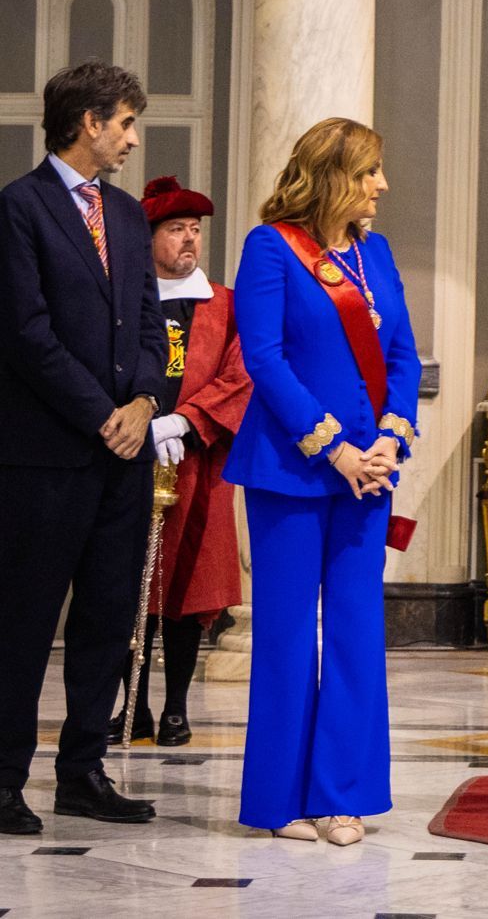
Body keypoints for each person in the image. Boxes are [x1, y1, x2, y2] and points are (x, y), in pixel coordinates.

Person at [224, 118, 421, 845]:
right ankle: (280, 801)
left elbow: (403, 355)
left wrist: (391, 438)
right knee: (284, 635)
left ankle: (341, 796)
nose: (382, 185)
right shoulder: (269, 247)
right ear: (334, 176)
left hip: (370, 473)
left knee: (355, 630)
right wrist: (334, 449)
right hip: (290, 470)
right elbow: (265, 359)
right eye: (370, 172)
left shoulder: (377, 253)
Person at [0, 61, 164, 834]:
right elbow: (25, 335)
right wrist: (105, 414)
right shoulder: (19, 208)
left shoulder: (128, 215)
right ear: (89, 123)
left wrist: (145, 403)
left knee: (106, 620)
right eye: (125, 123)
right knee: (25, 622)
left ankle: (83, 774)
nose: (132, 138)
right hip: (45, 458)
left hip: (123, 458)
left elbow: (152, 326)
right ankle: (4, 780)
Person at [106, 177, 250, 748]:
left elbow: (241, 376)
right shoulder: (124, 299)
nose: (189, 239)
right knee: (128, 587)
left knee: (188, 593)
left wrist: (185, 421)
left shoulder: (226, 305)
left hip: (199, 464)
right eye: (175, 229)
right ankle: (134, 707)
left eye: (195, 229)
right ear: (148, 238)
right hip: (130, 457)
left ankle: (175, 709)